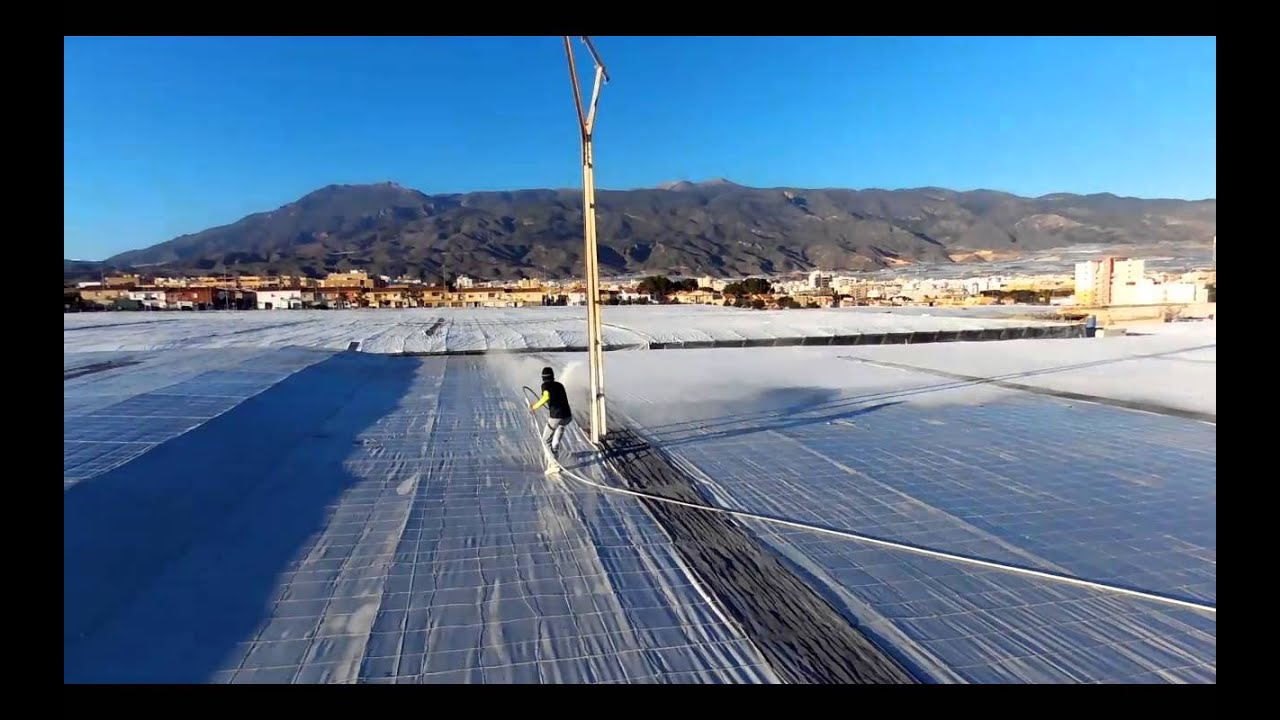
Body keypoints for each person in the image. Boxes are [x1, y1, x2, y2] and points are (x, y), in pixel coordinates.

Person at [529, 366, 572, 459]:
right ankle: (555, 444)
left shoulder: (545, 386)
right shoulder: (560, 385)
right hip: (567, 416)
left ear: (543, 377)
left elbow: (546, 397)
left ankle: (554, 463)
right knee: (561, 426)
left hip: (556, 416)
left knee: (546, 440)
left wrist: (534, 407)